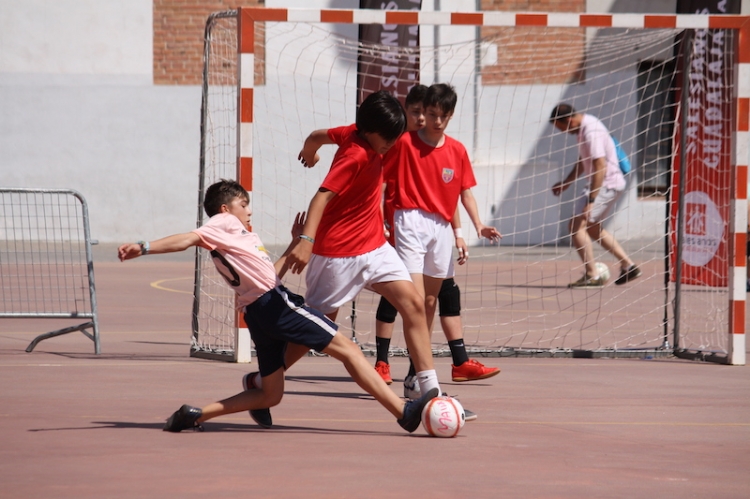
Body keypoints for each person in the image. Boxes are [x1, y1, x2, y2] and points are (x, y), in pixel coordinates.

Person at [117, 179, 438, 433]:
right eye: (245, 205)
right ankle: (403, 412)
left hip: (258, 312)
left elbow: (269, 274)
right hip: (275, 305)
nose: (250, 212)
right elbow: (188, 238)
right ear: (227, 208)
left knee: (270, 394)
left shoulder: (239, 238)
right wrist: (144, 247)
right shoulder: (223, 224)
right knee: (350, 350)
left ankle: (196, 414)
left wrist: (295, 240)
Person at [274, 89, 443, 412]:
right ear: (368, 131)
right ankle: (266, 378)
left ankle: (431, 391)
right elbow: (320, 197)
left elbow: (317, 135)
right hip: (337, 252)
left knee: (414, 305)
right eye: (387, 140)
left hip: (375, 247)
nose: (391, 145)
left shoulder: (354, 130)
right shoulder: (356, 154)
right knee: (319, 327)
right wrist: (306, 242)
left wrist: (310, 151)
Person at [372, 85, 498, 391]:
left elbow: (463, 192)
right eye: (431, 114)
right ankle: (412, 374)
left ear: (450, 115)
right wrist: (378, 220)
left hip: (441, 227)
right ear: (423, 113)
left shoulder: (456, 150)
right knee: (413, 301)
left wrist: (475, 225)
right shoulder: (403, 143)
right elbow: (380, 181)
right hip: (409, 220)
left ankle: (415, 372)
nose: (437, 121)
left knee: (429, 302)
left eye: (443, 116)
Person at [549, 103, 641, 287]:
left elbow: (600, 166)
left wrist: (591, 199)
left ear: (569, 120)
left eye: (562, 128)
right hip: (608, 184)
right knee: (592, 228)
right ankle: (628, 266)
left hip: (606, 184)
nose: (563, 132)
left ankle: (592, 274)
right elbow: (585, 161)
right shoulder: (585, 127)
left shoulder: (591, 131)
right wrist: (567, 182)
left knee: (576, 227)